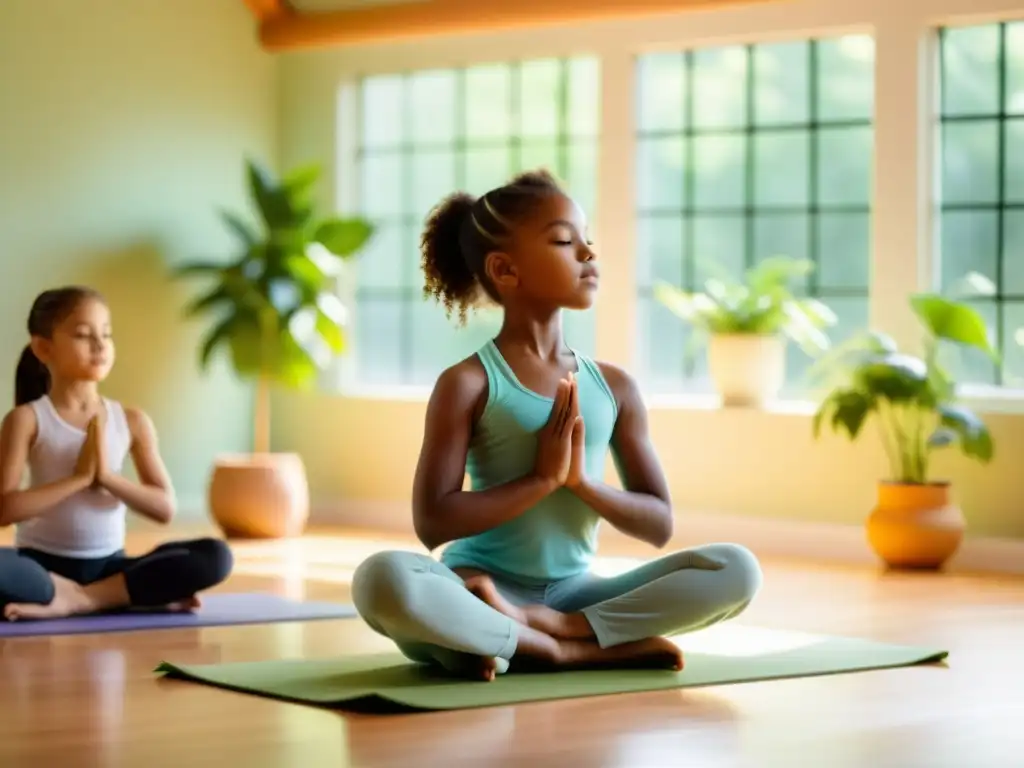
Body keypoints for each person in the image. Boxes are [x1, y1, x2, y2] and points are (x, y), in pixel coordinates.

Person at [350, 170, 763, 681]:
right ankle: (567, 649)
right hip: (476, 585)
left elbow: (657, 524)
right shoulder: (468, 382)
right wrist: (540, 481)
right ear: (505, 269)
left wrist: (581, 483)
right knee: (382, 579)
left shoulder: (616, 386)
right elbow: (432, 523)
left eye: (587, 240)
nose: (588, 254)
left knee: (737, 570)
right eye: (566, 241)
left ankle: (530, 635)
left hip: (576, 593)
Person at [0, 286, 233, 621]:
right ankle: (116, 598)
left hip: (112, 570)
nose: (99, 345)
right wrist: (79, 478)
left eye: (106, 334)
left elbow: (164, 508)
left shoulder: (132, 421)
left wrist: (107, 478)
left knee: (216, 555)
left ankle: (85, 599)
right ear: (43, 348)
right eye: (83, 335)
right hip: (42, 568)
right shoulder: (27, 419)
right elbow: (6, 509)